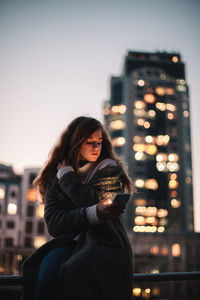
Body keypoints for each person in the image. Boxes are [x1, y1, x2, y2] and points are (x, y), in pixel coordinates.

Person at [22, 116, 133, 300]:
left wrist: (67, 179)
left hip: (104, 243)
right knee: (45, 273)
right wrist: (94, 213)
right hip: (67, 244)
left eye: (99, 141)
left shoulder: (109, 168)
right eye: (89, 142)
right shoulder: (55, 175)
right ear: (75, 143)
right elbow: (54, 223)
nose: (96, 147)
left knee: (73, 272)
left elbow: (88, 198)